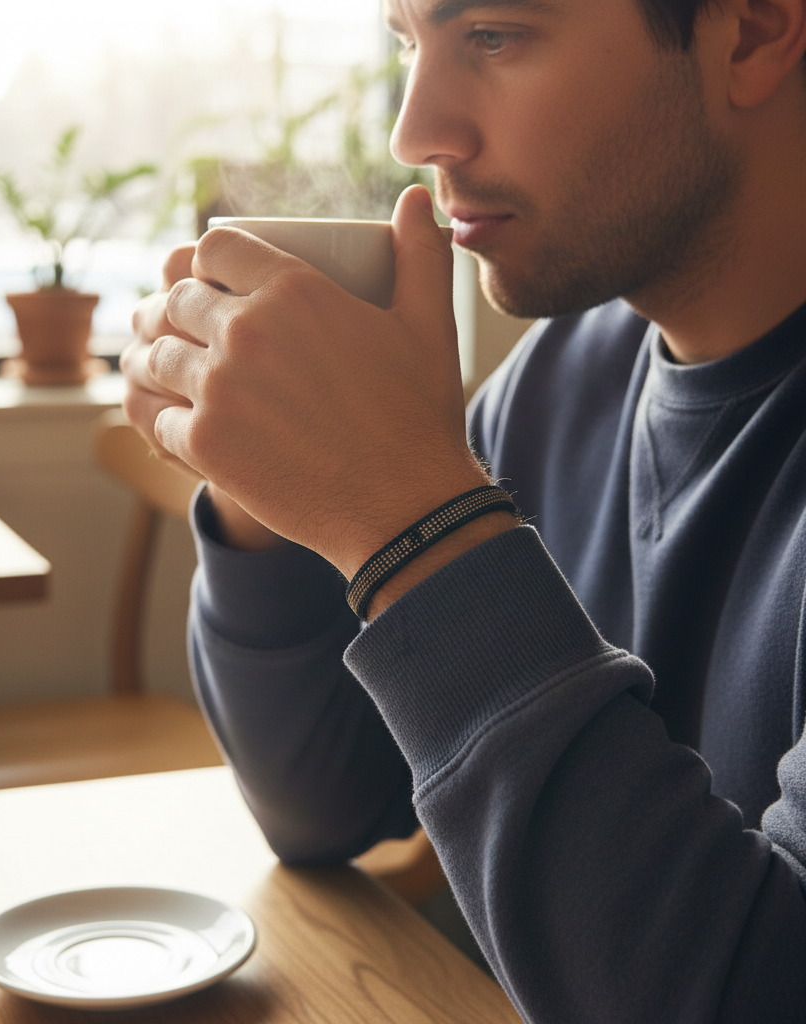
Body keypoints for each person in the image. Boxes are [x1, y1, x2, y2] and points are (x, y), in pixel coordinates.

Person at [121, 0, 806, 1019]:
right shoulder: (562, 378)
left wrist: (412, 521)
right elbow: (328, 803)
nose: (414, 133)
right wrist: (264, 478)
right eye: (409, 43)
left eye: (492, 34)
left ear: (748, 30)